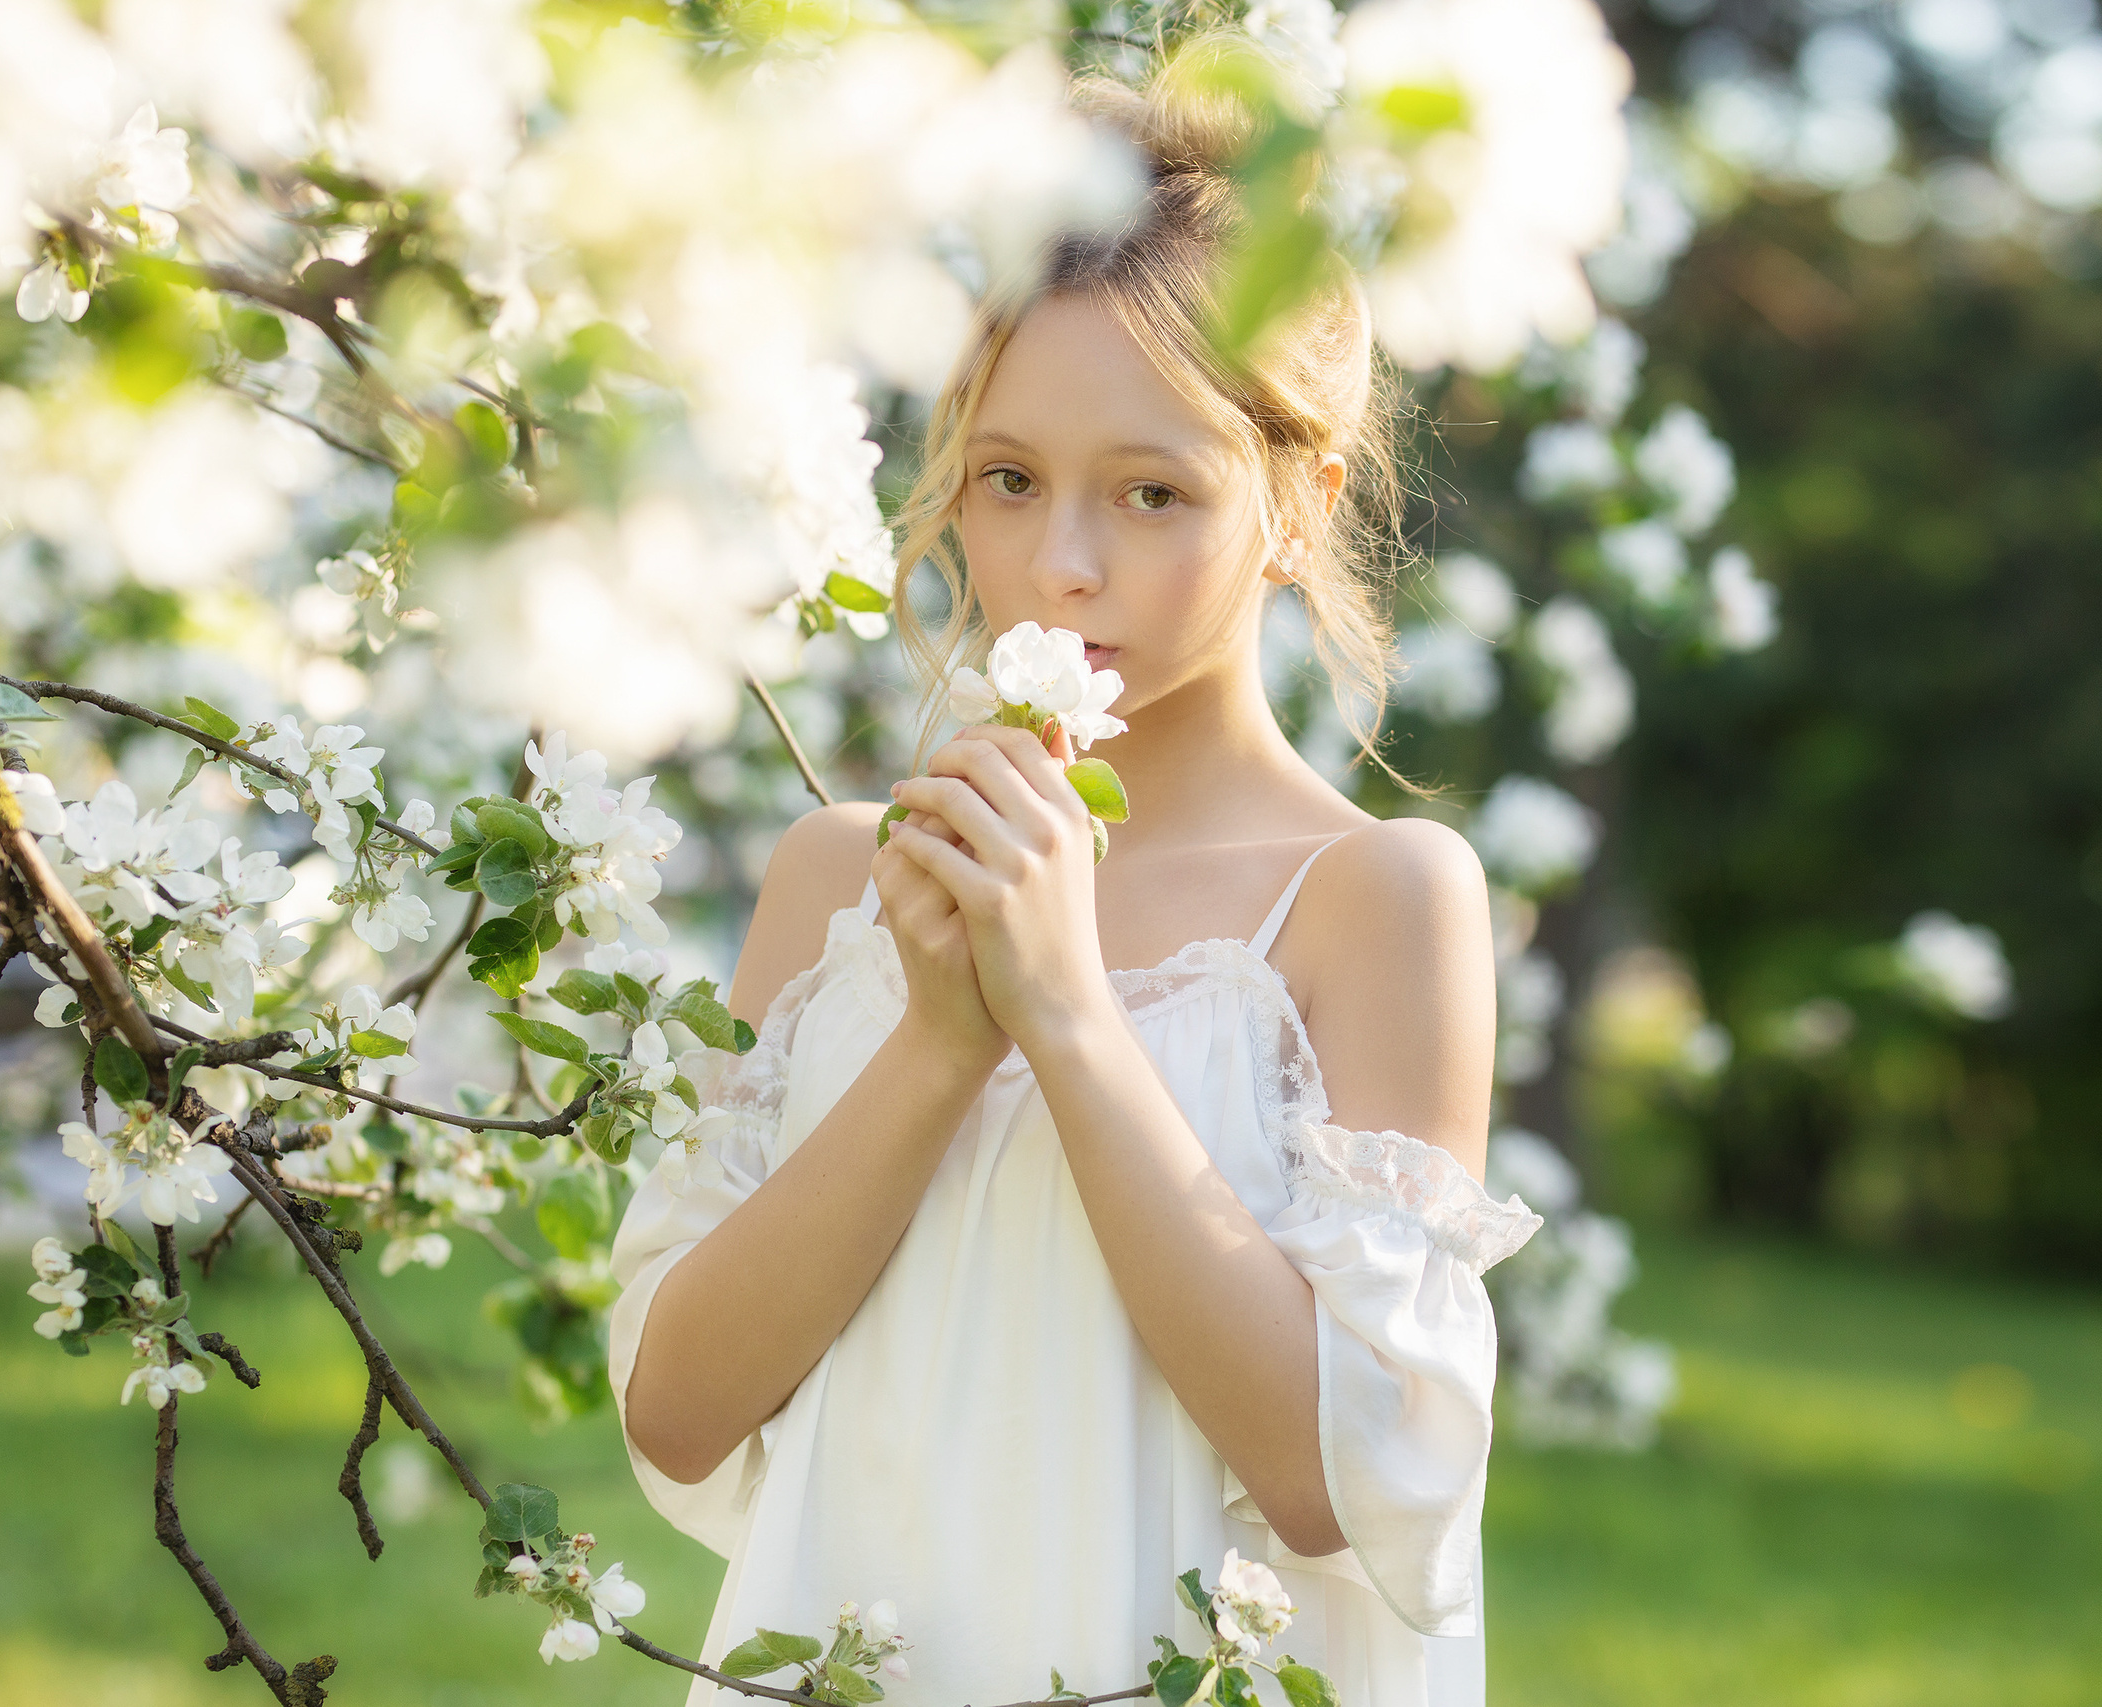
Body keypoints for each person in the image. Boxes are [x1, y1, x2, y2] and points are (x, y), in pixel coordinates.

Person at [606, 45, 1542, 1706]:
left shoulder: (1376, 899)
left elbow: (1349, 1486)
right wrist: (942, 1036)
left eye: (1155, 493)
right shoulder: (843, 881)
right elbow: (677, 1410)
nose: (1063, 565)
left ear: (1296, 509)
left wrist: (1067, 1014)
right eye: (1010, 479)